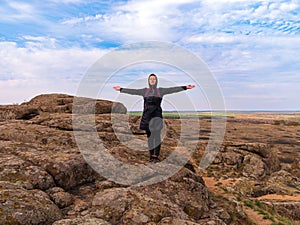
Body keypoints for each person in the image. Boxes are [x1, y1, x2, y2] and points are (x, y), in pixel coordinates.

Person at [113, 74, 195, 162]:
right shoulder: (145, 91)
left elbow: (173, 90)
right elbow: (133, 91)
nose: (152, 80)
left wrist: (185, 87)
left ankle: (156, 155)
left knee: (157, 136)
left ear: (156, 81)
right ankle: (151, 156)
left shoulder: (161, 91)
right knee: (150, 137)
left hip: (156, 115)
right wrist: (121, 89)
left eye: (154, 79)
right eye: (151, 79)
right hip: (147, 116)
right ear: (148, 81)